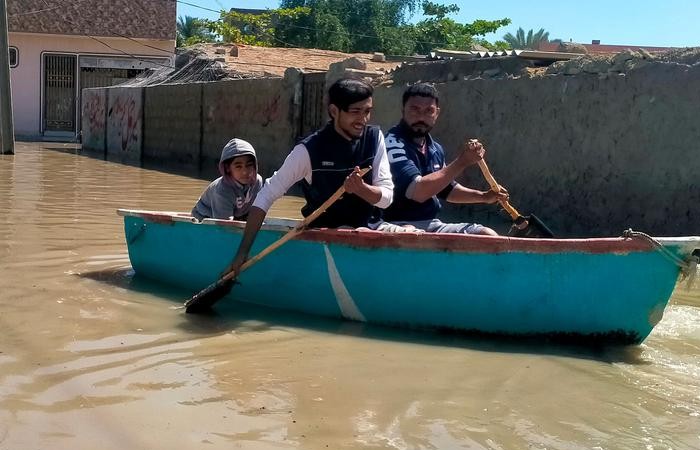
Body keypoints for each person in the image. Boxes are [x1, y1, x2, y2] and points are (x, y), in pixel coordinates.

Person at [225, 77, 395, 275]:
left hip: (371, 227)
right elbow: (265, 196)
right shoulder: (308, 150)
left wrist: (362, 189)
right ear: (334, 111)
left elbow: (386, 199)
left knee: (409, 229)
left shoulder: (375, 139)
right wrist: (242, 253)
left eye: (367, 112)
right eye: (355, 112)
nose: (363, 120)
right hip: (327, 231)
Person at [383, 82, 508, 235]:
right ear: (403, 110)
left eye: (429, 111)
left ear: (437, 113)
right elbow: (418, 192)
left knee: (487, 235)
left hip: (430, 224)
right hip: (396, 225)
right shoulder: (393, 144)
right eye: (414, 110)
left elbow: (445, 189)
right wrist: (462, 162)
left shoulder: (435, 148)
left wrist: (484, 197)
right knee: (410, 235)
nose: (421, 117)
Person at [191, 138, 263, 221]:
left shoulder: (257, 182)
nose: (245, 172)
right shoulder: (222, 190)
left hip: (237, 215)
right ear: (228, 168)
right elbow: (224, 224)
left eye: (249, 165)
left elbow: (256, 210)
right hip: (205, 216)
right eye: (238, 166)